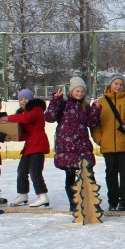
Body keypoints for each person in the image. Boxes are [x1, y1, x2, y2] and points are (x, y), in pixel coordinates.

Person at [44, 77, 101, 211]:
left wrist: (96, 109)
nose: (79, 93)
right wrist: (55, 101)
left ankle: (91, 204)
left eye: (82, 91)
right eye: (77, 90)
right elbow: (49, 117)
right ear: (71, 90)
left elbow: (91, 123)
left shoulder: (84, 105)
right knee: (70, 176)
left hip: (82, 146)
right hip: (67, 147)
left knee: (88, 176)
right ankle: (74, 204)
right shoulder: (63, 104)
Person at [91, 73, 125, 211]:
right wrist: (100, 140)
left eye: (121, 84)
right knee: (111, 174)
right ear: (110, 85)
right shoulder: (100, 102)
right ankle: (113, 200)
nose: (118, 87)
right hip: (108, 145)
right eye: (116, 84)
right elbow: (95, 124)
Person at [5, 90, 50, 208]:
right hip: (30, 145)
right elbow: (25, 133)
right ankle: (23, 194)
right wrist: (15, 137)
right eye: (21, 99)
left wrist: (7, 118)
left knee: (35, 170)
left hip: (38, 144)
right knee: (22, 170)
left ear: (31, 99)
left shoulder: (36, 109)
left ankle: (42, 196)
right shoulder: (22, 113)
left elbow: (26, 118)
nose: (23, 101)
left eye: (26, 98)